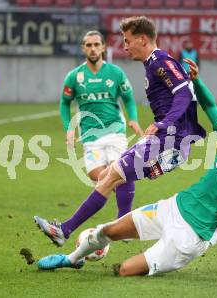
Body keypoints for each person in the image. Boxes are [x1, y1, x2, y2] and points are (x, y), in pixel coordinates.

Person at [37, 59, 217, 281]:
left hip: (192, 237)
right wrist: (197, 81)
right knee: (108, 231)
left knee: (125, 270)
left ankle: (138, 258)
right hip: (173, 207)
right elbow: (210, 108)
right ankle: (70, 259)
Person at [34, 16, 206, 246]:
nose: (124, 46)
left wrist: (165, 124)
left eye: (128, 40)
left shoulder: (159, 61)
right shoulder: (154, 64)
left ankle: (68, 230)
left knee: (112, 176)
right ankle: (106, 227)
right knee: (108, 176)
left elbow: (184, 94)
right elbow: (186, 88)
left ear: (142, 39)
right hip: (167, 141)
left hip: (168, 141)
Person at [58, 30, 142, 224]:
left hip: (115, 132)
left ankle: (123, 219)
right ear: (83, 49)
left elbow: (128, 98)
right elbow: (64, 103)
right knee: (103, 177)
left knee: (118, 172)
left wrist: (133, 118)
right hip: (89, 137)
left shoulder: (116, 73)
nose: (93, 49)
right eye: (89, 45)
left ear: (103, 47)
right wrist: (68, 128)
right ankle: (126, 218)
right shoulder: (74, 77)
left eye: (96, 44)